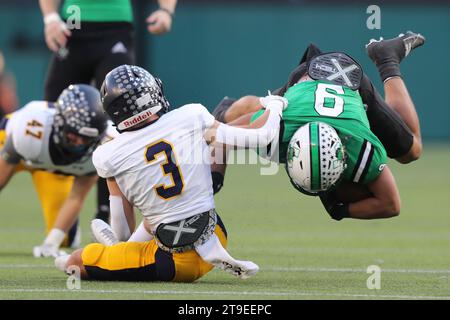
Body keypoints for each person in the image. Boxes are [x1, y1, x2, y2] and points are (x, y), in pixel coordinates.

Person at [55, 64, 288, 282]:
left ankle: (112, 253)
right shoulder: (190, 116)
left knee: (75, 262)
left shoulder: (108, 154)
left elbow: (122, 231)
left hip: (175, 261)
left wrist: (116, 248)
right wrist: (276, 105)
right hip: (215, 232)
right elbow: (263, 135)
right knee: (159, 216)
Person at [211, 32, 425, 221]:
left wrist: (341, 211)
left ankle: (386, 56)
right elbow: (221, 134)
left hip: (348, 81)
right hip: (306, 82)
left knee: (411, 152)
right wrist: (214, 181)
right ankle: (227, 109)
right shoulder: (274, 130)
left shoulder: (359, 145)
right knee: (253, 113)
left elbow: (391, 204)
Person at [39, 0, 177, 224]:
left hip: (116, 27)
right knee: (52, 114)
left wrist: (166, 10)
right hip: (73, 25)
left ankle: (109, 213)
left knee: (122, 119)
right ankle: (60, 215)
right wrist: (50, 18)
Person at [0, 84, 110, 257]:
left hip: (53, 168)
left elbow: (77, 196)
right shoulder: (30, 130)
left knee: (64, 239)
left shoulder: (102, 148)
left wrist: (51, 243)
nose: (80, 143)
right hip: (12, 145)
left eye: (87, 139)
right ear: (60, 122)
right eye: (75, 135)